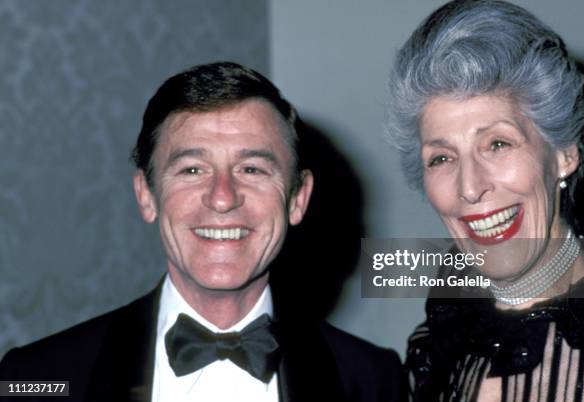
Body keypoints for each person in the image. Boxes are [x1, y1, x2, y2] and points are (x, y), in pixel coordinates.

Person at [0, 62, 404, 402]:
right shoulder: (36, 378)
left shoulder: (372, 381)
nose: (223, 198)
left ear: (298, 199)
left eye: (252, 169)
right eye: (192, 170)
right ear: (147, 196)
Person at [387, 1, 584, 400]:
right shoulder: (435, 350)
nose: (470, 187)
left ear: (564, 154)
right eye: (441, 157)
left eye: (497, 143)